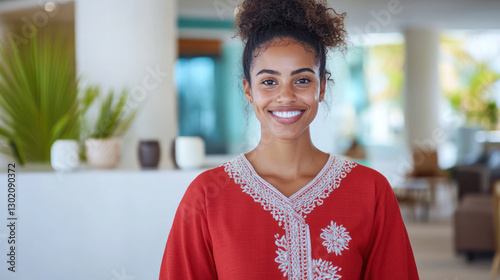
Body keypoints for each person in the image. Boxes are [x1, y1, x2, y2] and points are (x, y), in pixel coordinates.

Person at [159, 0, 419, 279]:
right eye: (269, 81)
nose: (285, 96)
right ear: (248, 90)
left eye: (303, 80)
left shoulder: (371, 191)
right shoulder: (206, 198)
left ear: (322, 88)